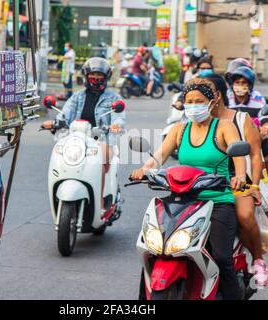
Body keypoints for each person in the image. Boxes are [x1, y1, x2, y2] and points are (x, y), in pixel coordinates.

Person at [131, 78, 246, 300]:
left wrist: (239, 176)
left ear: (212, 103)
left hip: (217, 199)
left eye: (199, 101)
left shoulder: (224, 127)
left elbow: (239, 156)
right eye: (189, 101)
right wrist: (144, 170)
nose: (194, 105)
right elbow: (159, 156)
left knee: (222, 257)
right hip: (182, 199)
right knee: (155, 250)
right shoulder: (179, 129)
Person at [203, 73, 268, 286]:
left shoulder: (241, 119)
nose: (197, 100)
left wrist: (254, 186)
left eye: (205, 94)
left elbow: (255, 155)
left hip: (235, 181)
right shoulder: (194, 122)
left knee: (244, 215)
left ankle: (258, 259)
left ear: (219, 95)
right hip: (201, 182)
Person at [42, 57, 125, 210]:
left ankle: (99, 203)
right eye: (92, 75)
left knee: (100, 161)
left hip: (101, 139)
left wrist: (116, 126)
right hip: (77, 139)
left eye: (100, 76)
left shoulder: (114, 98)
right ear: (86, 77)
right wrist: (55, 122)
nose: (96, 78)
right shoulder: (77, 96)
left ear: (106, 78)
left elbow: (119, 118)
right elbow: (65, 114)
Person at [226, 66, 268, 181]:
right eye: (237, 82)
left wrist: (265, 127)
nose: (240, 86)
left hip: (253, 137)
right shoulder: (227, 97)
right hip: (230, 137)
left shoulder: (257, 98)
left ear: (250, 85)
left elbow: (264, 116)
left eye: (244, 83)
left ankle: (264, 182)